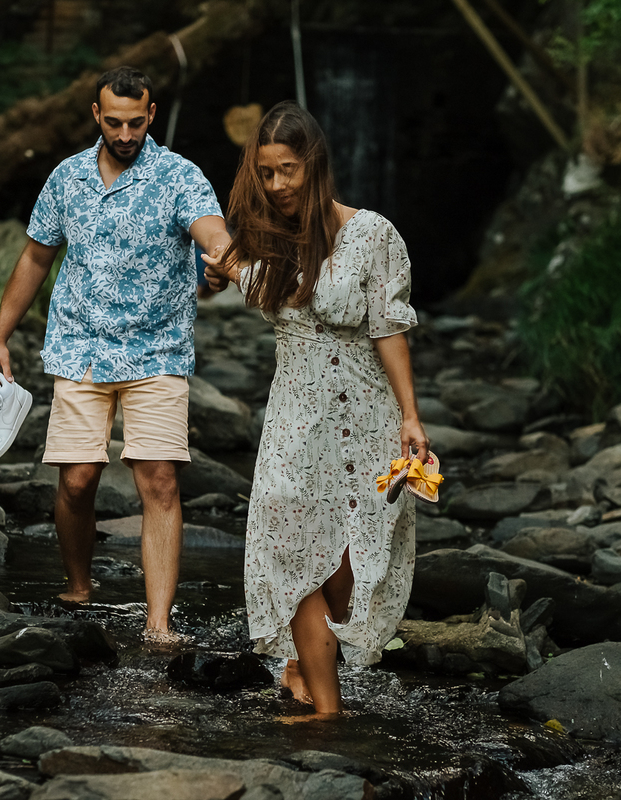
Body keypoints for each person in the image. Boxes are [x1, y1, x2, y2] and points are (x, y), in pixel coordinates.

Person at [0, 66, 231, 639]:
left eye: (135, 122)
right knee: (76, 479)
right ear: (97, 115)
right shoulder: (67, 177)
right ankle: (79, 585)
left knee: (160, 480)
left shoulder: (178, 176)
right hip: (80, 346)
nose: (125, 133)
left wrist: (220, 259)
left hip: (157, 350)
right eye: (114, 122)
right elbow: (37, 257)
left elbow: (212, 231)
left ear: (151, 115)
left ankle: (158, 623)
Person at [203, 101, 429, 716]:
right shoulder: (261, 233)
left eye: (287, 171)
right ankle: (328, 713)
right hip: (293, 416)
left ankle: (307, 659)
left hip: (364, 416)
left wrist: (410, 416)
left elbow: (389, 329)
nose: (276, 185)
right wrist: (216, 276)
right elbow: (209, 278)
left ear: (316, 165)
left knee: (350, 566)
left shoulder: (372, 233)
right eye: (266, 172)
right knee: (292, 547)